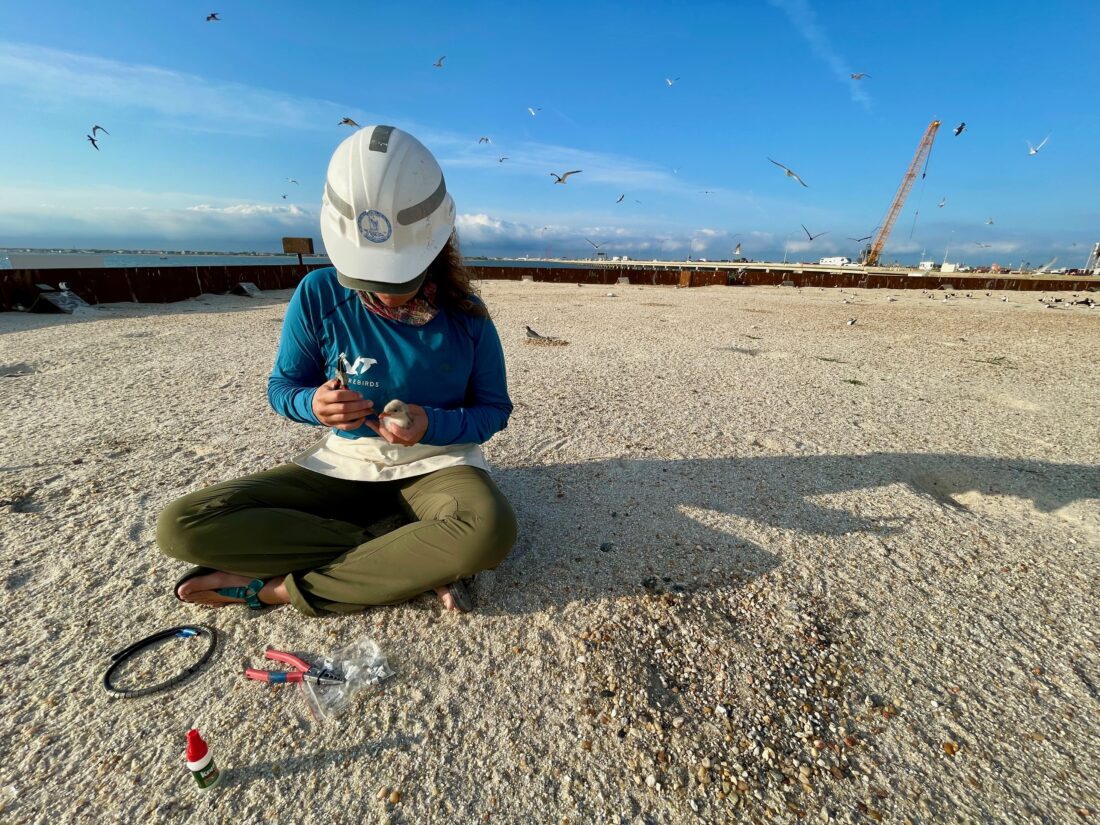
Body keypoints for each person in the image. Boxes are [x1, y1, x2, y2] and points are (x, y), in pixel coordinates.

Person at [157, 125, 517, 615]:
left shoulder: (468, 314)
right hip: (345, 467)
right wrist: (314, 405)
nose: (387, 293)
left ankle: (277, 590)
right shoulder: (319, 293)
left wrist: (432, 423)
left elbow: (493, 410)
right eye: (368, 280)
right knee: (182, 524)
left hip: (438, 466)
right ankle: (406, 554)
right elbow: (283, 388)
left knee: (488, 530)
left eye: (402, 279)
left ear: (435, 246)